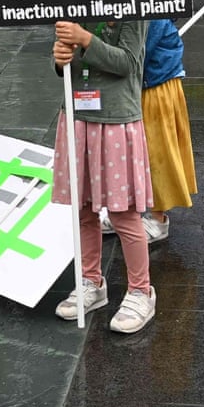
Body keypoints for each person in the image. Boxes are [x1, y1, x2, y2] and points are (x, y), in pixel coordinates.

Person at [51, 19, 156, 333]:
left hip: (115, 121)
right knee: (83, 208)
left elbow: (128, 63)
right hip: (77, 117)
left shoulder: (133, 6)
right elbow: (64, 64)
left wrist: (85, 39)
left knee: (124, 213)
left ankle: (141, 290)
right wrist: (60, 58)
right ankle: (90, 280)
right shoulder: (73, 5)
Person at [138, 19, 197, 241]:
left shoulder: (153, 13)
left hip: (155, 86)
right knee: (142, 152)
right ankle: (128, 215)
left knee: (157, 153)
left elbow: (138, 53)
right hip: (151, 83)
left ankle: (157, 218)